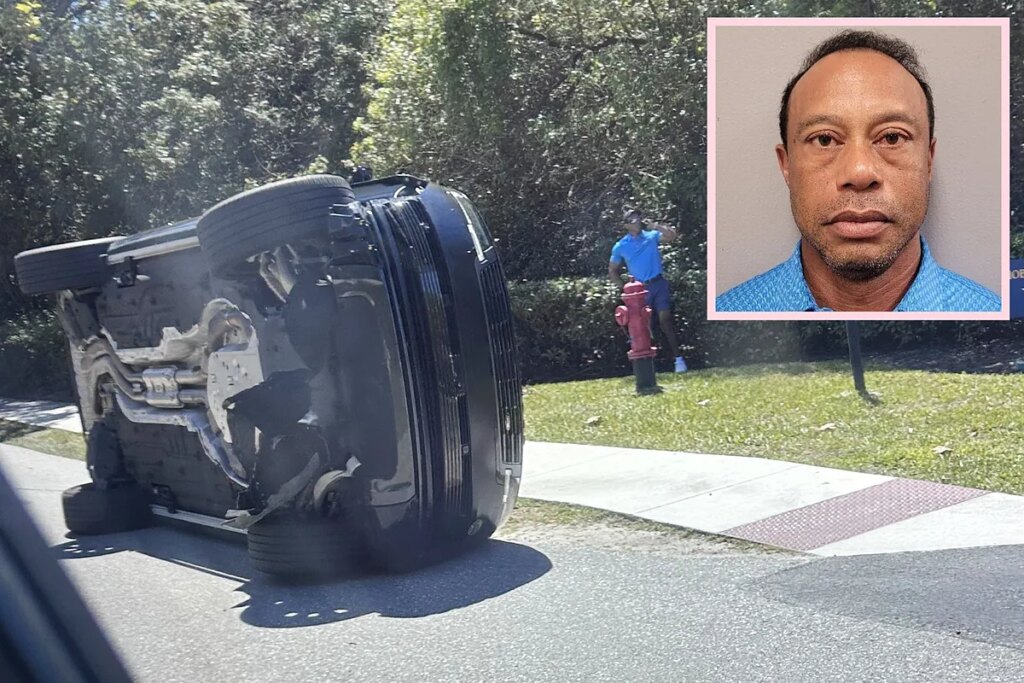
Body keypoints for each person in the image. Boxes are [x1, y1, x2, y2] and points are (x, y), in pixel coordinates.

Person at [716, 30, 1000, 313]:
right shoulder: (728, 311)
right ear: (786, 164)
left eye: (891, 137)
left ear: (928, 160)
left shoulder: (992, 313)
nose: (859, 172)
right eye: (824, 139)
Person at [608, 208, 687, 372]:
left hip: (658, 283)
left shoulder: (651, 236)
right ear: (625, 225)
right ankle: (653, 364)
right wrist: (625, 289)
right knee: (645, 327)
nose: (636, 221)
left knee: (665, 321)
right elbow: (612, 270)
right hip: (639, 291)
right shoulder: (621, 246)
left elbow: (672, 236)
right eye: (632, 219)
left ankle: (679, 360)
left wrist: (656, 226)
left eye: (637, 217)